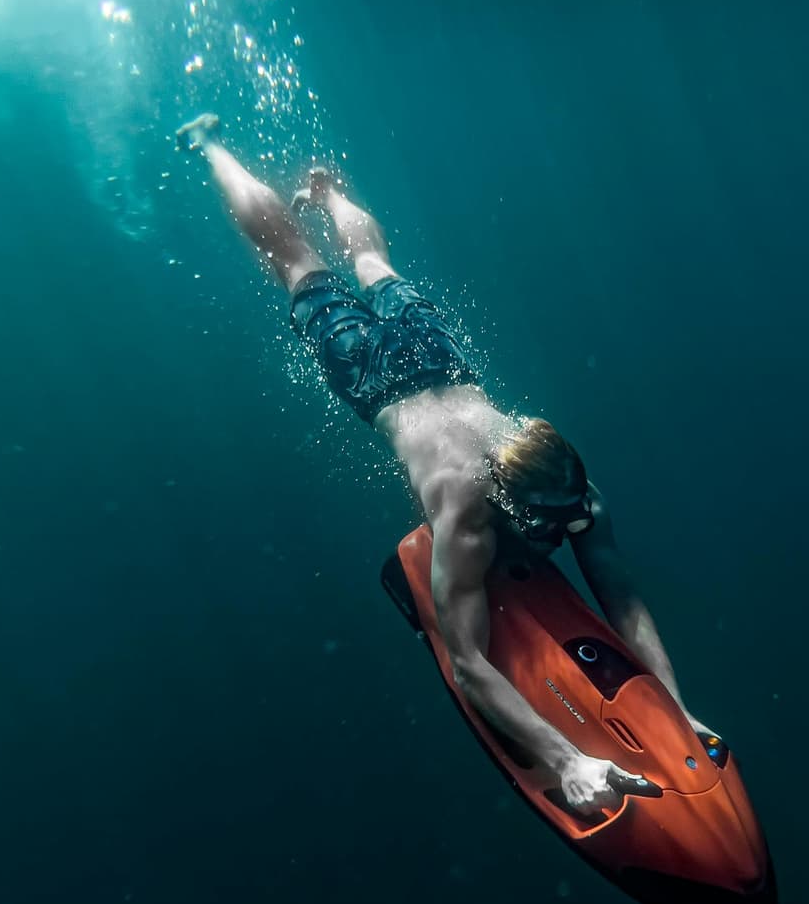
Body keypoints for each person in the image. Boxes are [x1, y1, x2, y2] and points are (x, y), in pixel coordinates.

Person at [177, 113, 712, 815]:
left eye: (569, 522)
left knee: (372, 266)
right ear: (504, 498)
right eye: (548, 529)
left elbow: (625, 600)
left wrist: (676, 709)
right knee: (298, 261)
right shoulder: (465, 509)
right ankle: (212, 146)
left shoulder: (577, 494)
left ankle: (326, 190)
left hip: (441, 364)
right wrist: (567, 758)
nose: (564, 535)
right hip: (376, 377)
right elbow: (467, 662)